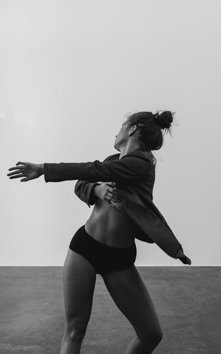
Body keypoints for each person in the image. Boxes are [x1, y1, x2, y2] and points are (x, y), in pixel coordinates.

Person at [7, 110, 191, 354]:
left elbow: (92, 170)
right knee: (74, 329)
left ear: (133, 128)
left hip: (117, 259)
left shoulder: (141, 164)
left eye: (121, 126)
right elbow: (84, 181)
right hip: (84, 247)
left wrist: (43, 168)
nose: (117, 132)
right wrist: (96, 191)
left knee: (151, 334)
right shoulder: (113, 160)